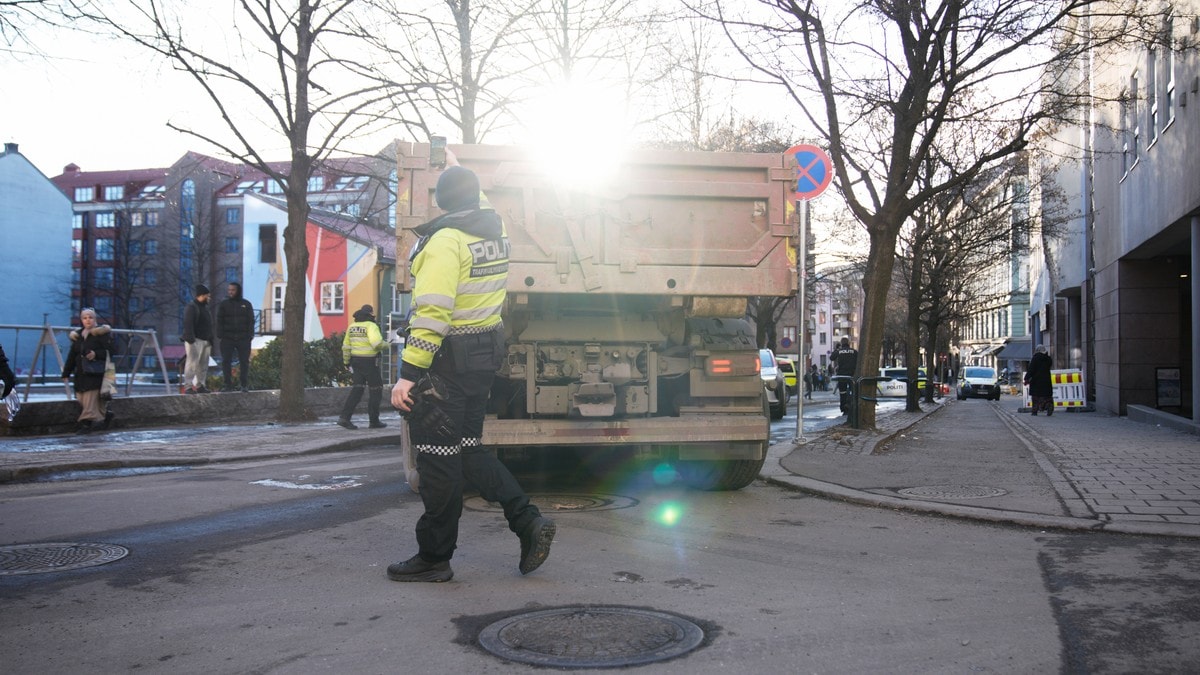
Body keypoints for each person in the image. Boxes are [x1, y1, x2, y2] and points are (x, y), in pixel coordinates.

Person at [389, 162, 554, 583]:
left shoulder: (446, 242)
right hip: (481, 357)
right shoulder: (494, 232)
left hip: (445, 366)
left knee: (438, 463)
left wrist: (408, 375)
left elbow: (432, 314)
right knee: (467, 449)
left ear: (444, 201)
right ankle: (528, 521)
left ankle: (434, 557)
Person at [61, 308, 116, 433]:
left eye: (90, 317)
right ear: (81, 320)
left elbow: (112, 351)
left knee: (89, 399)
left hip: (96, 373)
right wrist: (66, 372)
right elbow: (72, 356)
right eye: (85, 318)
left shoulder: (101, 334)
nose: (88, 320)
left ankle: (86, 424)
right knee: (82, 398)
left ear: (95, 319)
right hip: (81, 373)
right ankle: (106, 414)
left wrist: (96, 354)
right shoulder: (78, 336)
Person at [338, 304, 388, 430]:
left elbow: (346, 347)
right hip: (370, 362)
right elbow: (376, 343)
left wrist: (346, 362)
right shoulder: (371, 326)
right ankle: (374, 421)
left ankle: (344, 418)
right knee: (376, 390)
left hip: (356, 362)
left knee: (357, 390)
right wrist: (386, 345)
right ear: (370, 314)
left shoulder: (352, 327)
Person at [217, 281, 256, 393]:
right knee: (226, 361)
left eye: (233, 290)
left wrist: (250, 335)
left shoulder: (246, 304)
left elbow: (251, 320)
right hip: (227, 338)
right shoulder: (224, 304)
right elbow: (219, 320)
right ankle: (227, 385)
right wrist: (220, 334)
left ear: (238, 290)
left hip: (243, 338)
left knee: (244, 362)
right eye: (229, 290)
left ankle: (244, 385)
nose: (230, 292)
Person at [181, 284, 214, 394]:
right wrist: (191, 339)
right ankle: (188, 386)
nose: (209, 298)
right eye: (207, 296)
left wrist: (210, 339)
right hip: (195, 340)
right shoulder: (191, 307)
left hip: (205, 341)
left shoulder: (204, 308)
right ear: (202, 295)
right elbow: (188, 323)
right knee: (192, 364)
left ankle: (201, 385)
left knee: (203, 365)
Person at [1025, 344, 1054, 416]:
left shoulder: (1035, 358)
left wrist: (1026, 378)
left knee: (1035, 397)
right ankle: (1048, 405)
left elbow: (1031, 369)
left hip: (1036, 381)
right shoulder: (1048, 359)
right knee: (1046, 396)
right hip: (1046, 380)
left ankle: (1035, 410)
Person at [831, 336, 858, 412]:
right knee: (854, 392)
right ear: (849, 343)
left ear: (841, 344)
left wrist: (836, 349)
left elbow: (831, 357)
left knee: (843, 392)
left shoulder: (839, 351)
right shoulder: (854, 351)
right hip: (852, 375)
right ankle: (853, 406)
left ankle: (843, 408)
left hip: (842, 375)